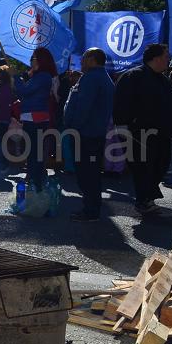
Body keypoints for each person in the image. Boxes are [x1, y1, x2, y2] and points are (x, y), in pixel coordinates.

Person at [114, 43, 172, 215]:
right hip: (140, 133)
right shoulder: (132, 77)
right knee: (143, 167)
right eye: (166, 57)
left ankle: (147, 196)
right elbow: (121, 103)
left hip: (163, 133)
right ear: (157, 58)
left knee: (162, 164)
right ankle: (144, 200)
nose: (169, 60)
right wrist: (122, 126)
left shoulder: (163, 80)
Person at [63, 48, 115, 222]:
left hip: (85, 134)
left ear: (93, 59)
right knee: (90, 173)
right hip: (94, 132)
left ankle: (90, 210)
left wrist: (74, 127)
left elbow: (84, 107)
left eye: (85, 58)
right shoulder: (103, 77)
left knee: (87, 174)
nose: (82, 62)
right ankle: (91, 208)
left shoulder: (92, 78)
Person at [15, 47, 57, 190]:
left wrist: (15, 77)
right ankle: (34, 180)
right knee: (33, 152)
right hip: (33, 117)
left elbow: (25, 91)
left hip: (35, 119)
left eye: (33, 58)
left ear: (40, 60)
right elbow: (25, 94)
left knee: (34, 152)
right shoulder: (39, 76)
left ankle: (36, 182)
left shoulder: (43, 76)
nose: (30, 61)